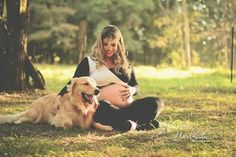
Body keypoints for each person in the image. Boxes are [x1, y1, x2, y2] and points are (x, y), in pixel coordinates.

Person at [58, 25, 164, 132]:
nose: (109, 48)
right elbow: (73, 83)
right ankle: (140, 123)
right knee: (101, 108)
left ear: (119, 44)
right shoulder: (89, 62)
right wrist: (58, 98)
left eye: (113, 45)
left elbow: (136, 85)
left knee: (156, 102)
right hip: (101, 109)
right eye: (105, 44)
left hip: (128, 107)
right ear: (100, 44)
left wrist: (133, 90)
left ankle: (132, 124)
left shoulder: (125, 64)